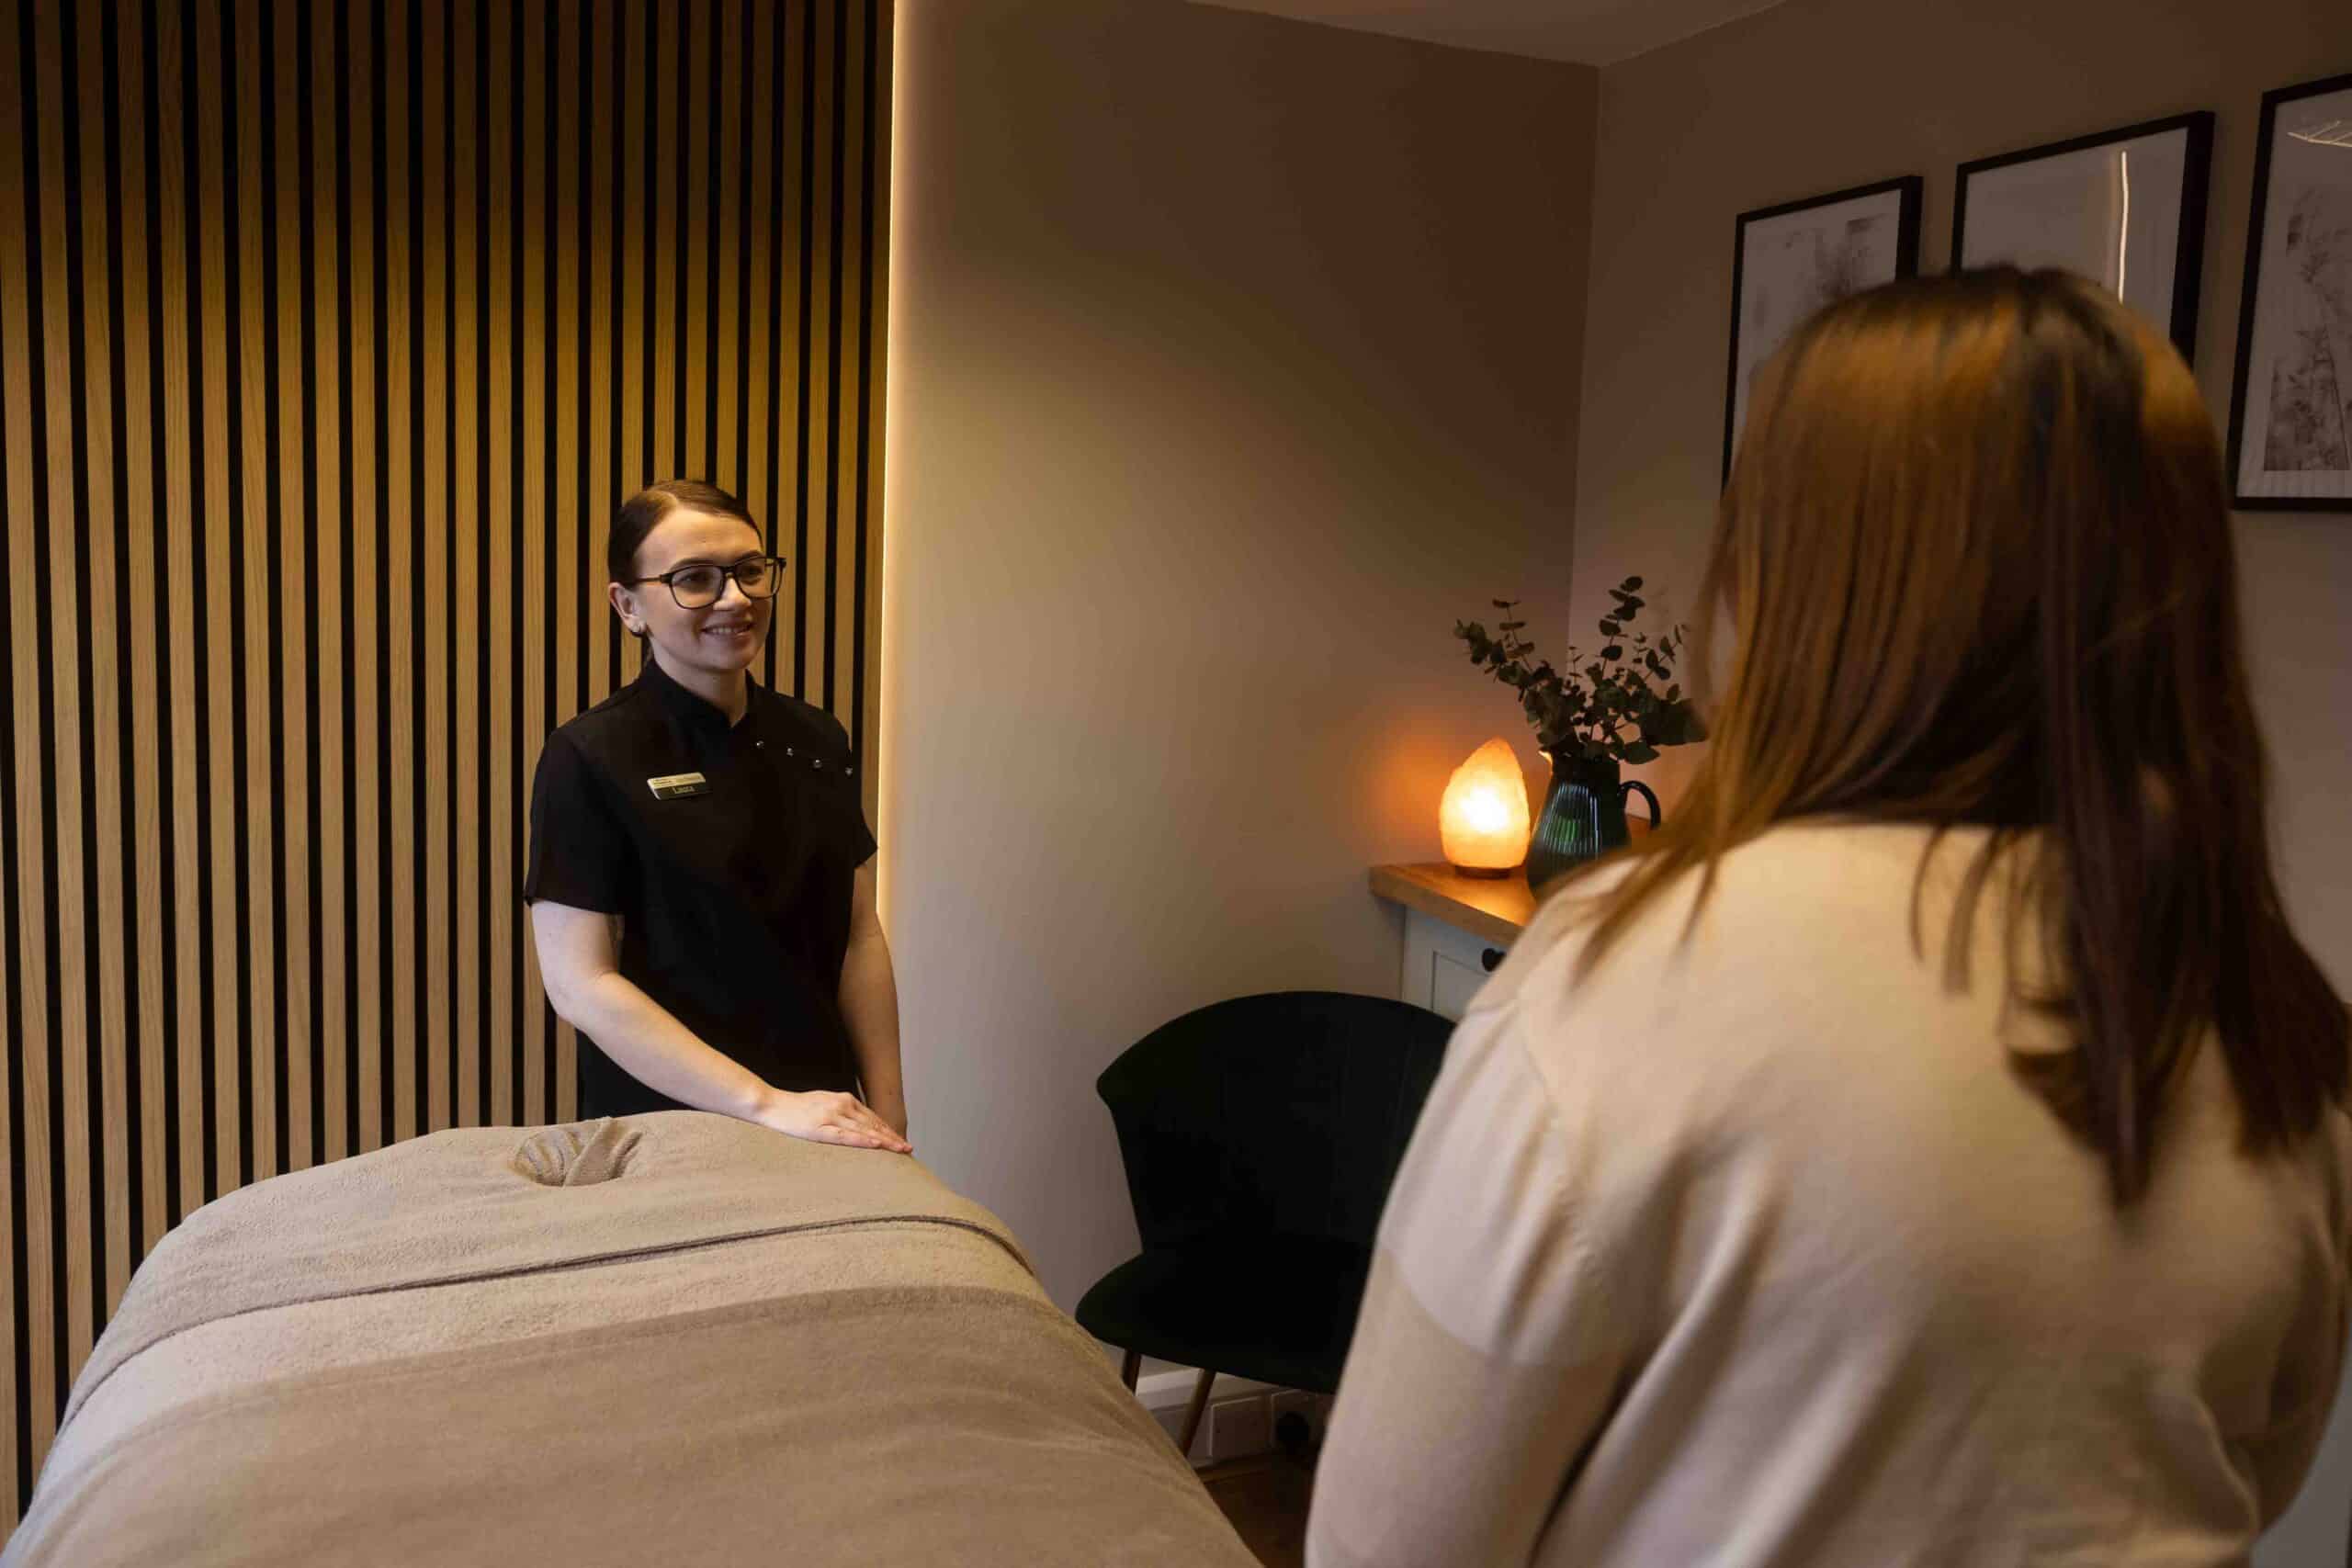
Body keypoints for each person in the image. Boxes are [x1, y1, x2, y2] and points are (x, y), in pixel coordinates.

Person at [1306, 268, 2350, 1565]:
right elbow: (2264, 1460)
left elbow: (1390, 1539)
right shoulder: (2267, 1018)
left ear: (1798, 578)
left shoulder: (1635, 969)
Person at [525, 479, 910, 1154]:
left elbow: (858, 935)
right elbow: (580, 984)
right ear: (628, 606)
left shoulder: (819, 739)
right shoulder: (588, 755)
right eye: (694, 579)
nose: (735, 599)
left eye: (750, 572)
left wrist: (890, 1108)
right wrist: (764, 1104)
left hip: (824, 1119)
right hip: (668, 1133)